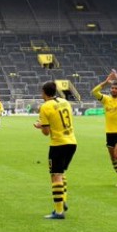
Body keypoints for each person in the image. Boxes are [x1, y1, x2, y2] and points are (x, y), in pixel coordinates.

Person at [33, 82, 77, 220]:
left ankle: (59, 212)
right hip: (72, 141)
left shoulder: (45, 107)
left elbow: (46, 132)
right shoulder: (65, 101)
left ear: (44, 92)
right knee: (60, 173)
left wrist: (40, 126)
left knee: (56, 175)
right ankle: (62, 200)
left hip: (58, 143)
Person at [92, 69, 117, 187]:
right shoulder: (106, 100)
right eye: (112, 88)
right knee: (112, 159)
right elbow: (94, 92)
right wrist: (106, 82)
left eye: (116, 88)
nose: (114, 90)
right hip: (110, 132)